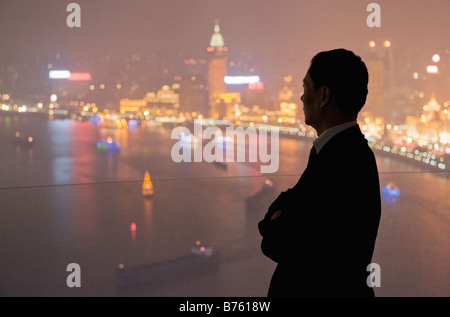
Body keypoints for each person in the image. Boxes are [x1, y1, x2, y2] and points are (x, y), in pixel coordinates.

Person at [258, 48, 381, 297]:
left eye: (305, 89)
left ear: (324, 95)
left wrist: (277, 220)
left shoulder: (338, 162)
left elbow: (278, 243)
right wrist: (280, 218)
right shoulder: (349, 153)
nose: (301, 99)